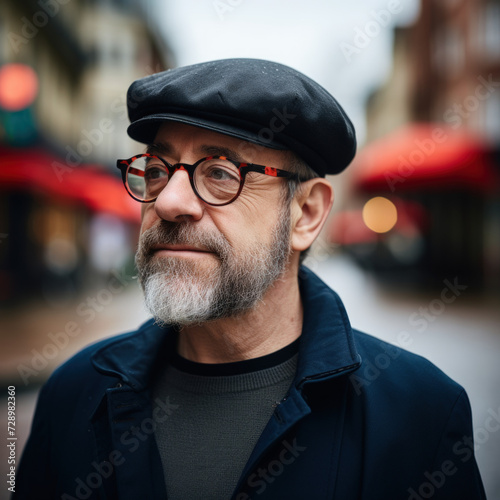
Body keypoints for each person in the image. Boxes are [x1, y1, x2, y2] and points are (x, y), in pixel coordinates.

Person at [15, 58, 485, 500]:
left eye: (220, 173)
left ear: (306, 214)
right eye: (156, 170)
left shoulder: (419, 414)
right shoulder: (73, 394)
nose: (168, 201)